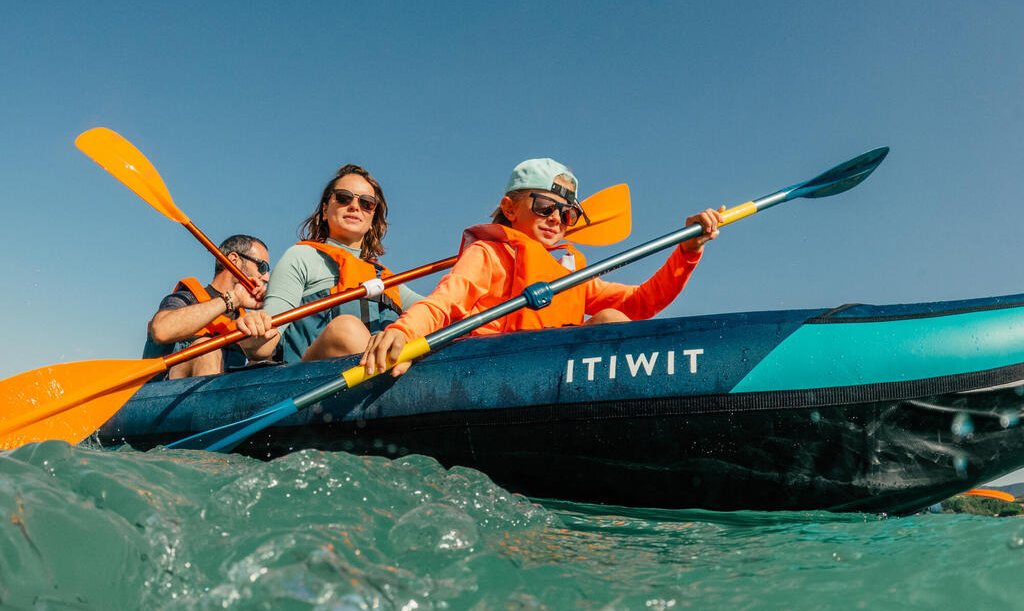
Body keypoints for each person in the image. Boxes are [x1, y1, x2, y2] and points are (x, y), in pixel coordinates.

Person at [359, 158, 721, 376]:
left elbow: (642, 302)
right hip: (492, 368)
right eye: (545, 207)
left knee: (612, 318)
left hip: (551, 370)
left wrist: (687, 251)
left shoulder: (570, 271)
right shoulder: (489, 254)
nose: (556, 219)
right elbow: (443, 303)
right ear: (511, 208)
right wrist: (404, 333)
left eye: (567, 214)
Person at [262, 164, 424, 363]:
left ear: (373, 219)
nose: (355, 206)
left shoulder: (386, 279)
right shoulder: (301, 256)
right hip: (310, 383)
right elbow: (264, 344)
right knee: (346, 329)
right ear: (324, 209)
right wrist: (255, 330)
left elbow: (436, 311)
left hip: (373, 384)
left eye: (367, 203)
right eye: (343, 198)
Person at [143, 234, 279, 379]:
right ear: (234, 260)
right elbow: (161, 330)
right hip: (167, 392)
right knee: (205, 348)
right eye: (262, 267)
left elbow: (262, 355)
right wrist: (232, 299)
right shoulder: (187, 297)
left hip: (223, 394)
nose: (266, 277)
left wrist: (268, 311)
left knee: (261, 365)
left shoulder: (245, 319)